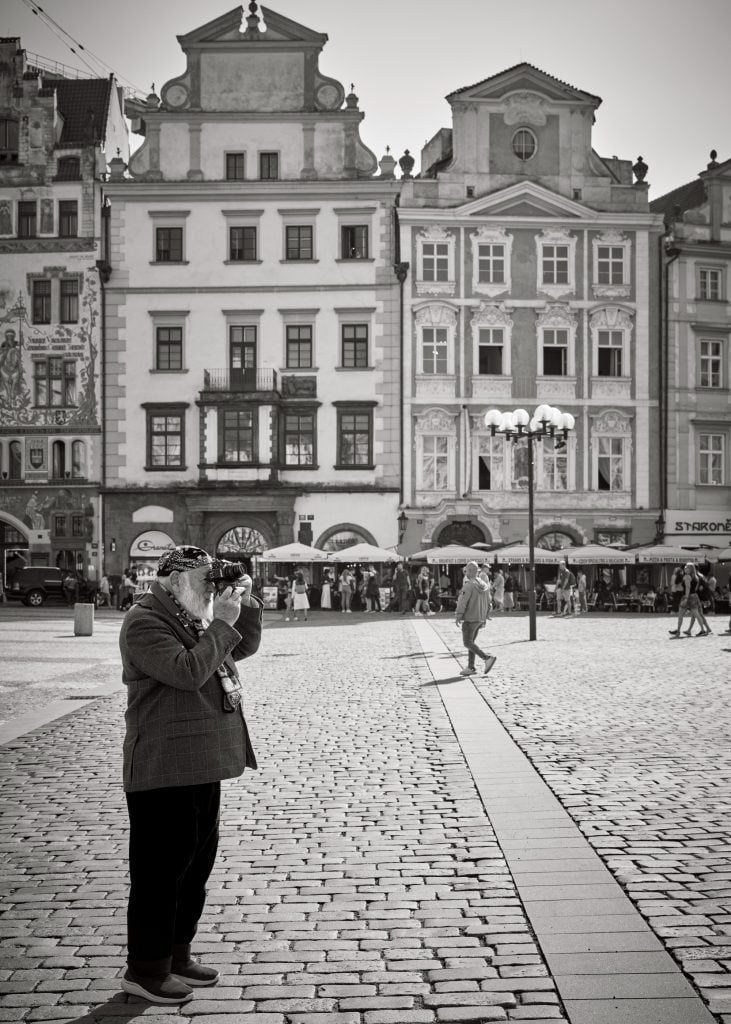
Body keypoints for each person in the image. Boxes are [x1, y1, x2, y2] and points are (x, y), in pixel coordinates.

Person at [119, 545, 262, 1005]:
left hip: (202, 761)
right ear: (177, 581)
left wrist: (245, 602)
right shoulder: (145, 621)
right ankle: (146, 969)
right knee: (160, 873)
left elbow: (246, 645)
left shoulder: (192, 612)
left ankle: (177, 954)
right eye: (206, 581)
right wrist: (220, 620)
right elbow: (187, 672)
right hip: (164, 765)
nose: (211, 590)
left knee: (193, 869)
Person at [455, 561, 496, 677]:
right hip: (480, 619)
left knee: (467, 642)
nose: (465, 573)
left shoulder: (468, 585)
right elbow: (490, 602)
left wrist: (458, 615)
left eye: (466, 571)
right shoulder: (484, 584)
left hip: (470, 618)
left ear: (470, 571)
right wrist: (487, 615)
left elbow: (462, 601)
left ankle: (487, 658)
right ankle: (471, 667)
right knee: (471, 643)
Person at [669, 562, 711, 638]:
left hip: (687, 596)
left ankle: (678, 631)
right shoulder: (696, 577)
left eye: (687, 567)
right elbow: (695, 588)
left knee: (682, 614)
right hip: (694, 596)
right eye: (685, 567)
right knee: (697, 614)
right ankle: (702, 630)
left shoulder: (687, 577)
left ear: (690, 569)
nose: (685, 568)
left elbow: (687, 588)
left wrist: (686, 598)